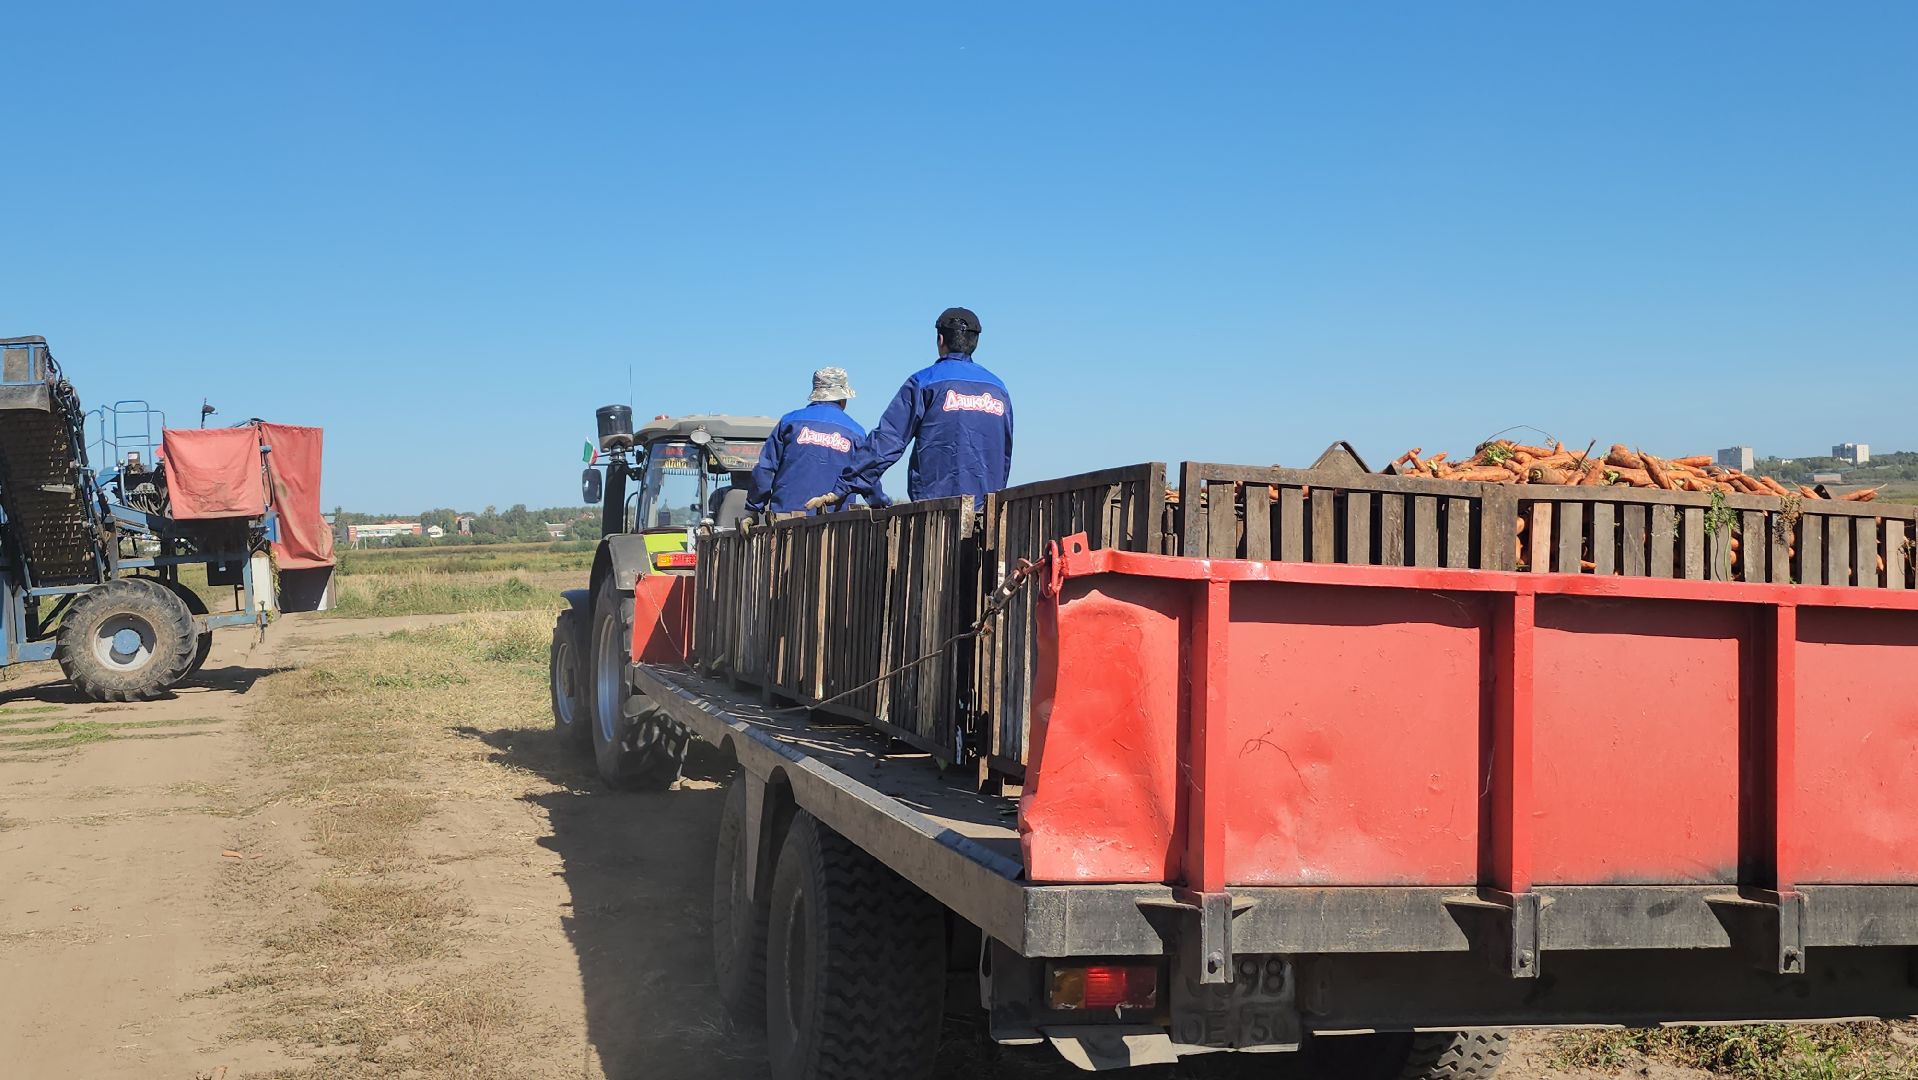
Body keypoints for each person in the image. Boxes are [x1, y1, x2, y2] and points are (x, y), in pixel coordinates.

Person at [811, 306, 1012, 509]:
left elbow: (889, 439)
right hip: (987, 514)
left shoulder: (923, 382)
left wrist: (845, 484)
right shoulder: (998, 388)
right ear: (975, 342)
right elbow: (1005, 452)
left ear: (940, 340)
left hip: (935, 515)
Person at [746, 368, 889, 515]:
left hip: (786, 522)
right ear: (842, 398)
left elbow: (765, 468)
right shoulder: (855, 432)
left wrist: (753, 508)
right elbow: (866, 475)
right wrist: (881, 503)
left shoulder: (789, 422)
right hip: (836, 526)